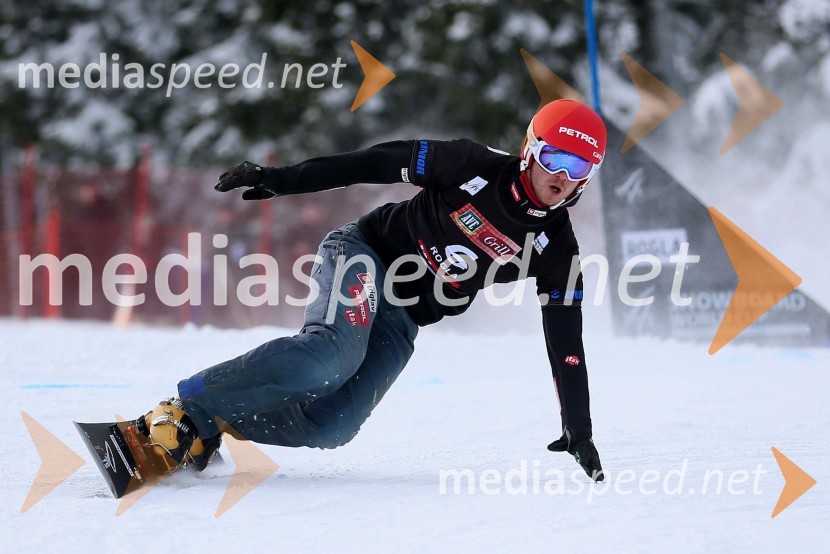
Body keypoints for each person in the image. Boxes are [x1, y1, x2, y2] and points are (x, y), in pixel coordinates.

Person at [139, 99, 607, 481]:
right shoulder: (471, 165)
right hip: (366, 254)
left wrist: (578, 428)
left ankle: (210, 425)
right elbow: (374, 162)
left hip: (403, 317)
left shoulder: (557, 250)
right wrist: (280, 180)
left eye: (580, 167)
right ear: (530, 150)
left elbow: (566, 342)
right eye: (555, 159)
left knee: (332, 425)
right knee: (330, 358)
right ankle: (185, 411)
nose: (563, 177)